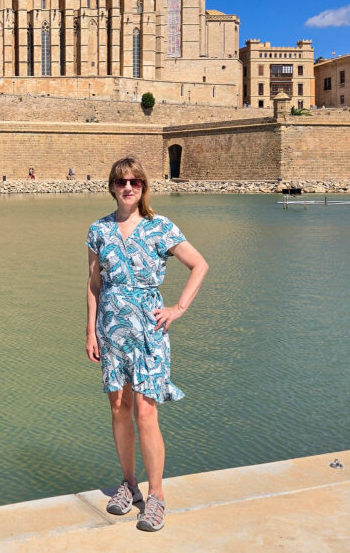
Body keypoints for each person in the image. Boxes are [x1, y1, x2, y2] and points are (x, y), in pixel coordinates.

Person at [85, 156, 208, 532]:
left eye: (135, 182)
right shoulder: (98, 231)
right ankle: (129, 484)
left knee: (145, 412)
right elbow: (94, 284)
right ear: (112, 186)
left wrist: (178, 308)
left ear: (143, 188)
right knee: (119, 407)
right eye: (121, 182)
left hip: (148, 330)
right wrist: (90, 331)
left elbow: (199, 265)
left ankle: (156, 496)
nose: (128, 188)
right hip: (111, 329)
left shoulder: (160, 227)